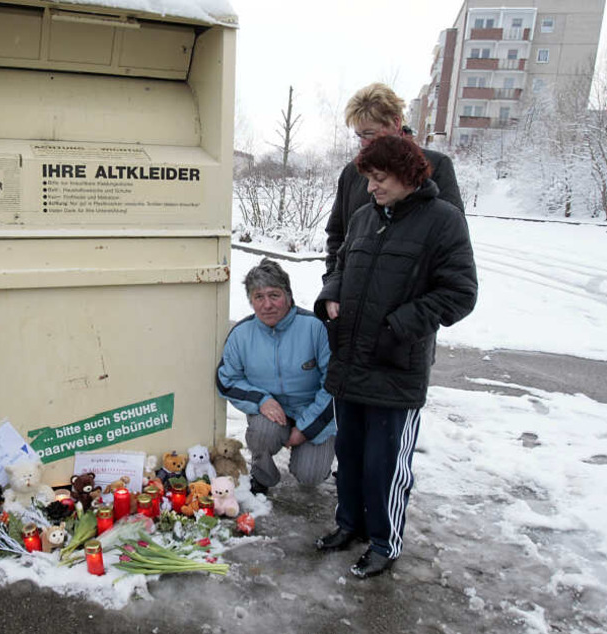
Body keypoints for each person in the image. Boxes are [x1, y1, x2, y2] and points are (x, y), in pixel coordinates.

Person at [313, 136, 477, 579]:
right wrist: (330, 295)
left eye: (379, 179)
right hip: (349, 360)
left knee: (386, 464)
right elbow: (342, 266)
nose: (370, 189)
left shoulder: (443, 222)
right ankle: (349, 524)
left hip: (394, 366)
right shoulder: (365, 218)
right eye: (368, 179)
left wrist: (398, 326)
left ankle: (385, 542)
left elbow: (460, 294)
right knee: (348, 454)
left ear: (408, 175)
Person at [216, 259, 336, 496]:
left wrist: (306, 428)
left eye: (274, 295)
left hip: (310, 409)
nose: (267, 305)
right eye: (258, 297)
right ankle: (263, 475)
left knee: (310, 476)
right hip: (271, 412)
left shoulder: (315, 328)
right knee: (262, 433)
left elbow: (334, 384)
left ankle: (315, 454)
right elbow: (226, 380)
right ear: (251, 300)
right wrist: (261, 400)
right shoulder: (241, 334)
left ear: (288, 296)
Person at [323, 83, 463, 279]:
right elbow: (336, 236)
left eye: (370, 133)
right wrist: (332, 284)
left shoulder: (435, 166)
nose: (364, 142)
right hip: (354, 300)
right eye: (359, 135)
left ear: (396, 123)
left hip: (410, 300)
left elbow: (451, 246)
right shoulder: (352, 173)